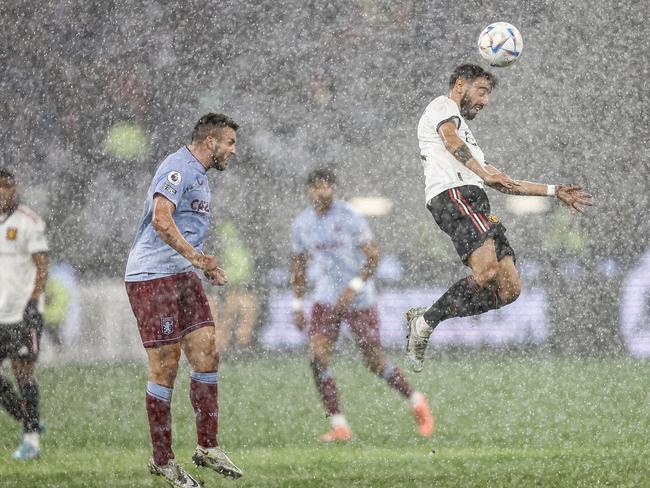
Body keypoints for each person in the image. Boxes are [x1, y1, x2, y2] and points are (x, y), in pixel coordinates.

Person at [405, 64, 592, 372]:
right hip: (453, 196)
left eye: (488, 95)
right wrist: (482, 174)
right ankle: (425, 324)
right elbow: (451, 142)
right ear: (460, 83)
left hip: (476, 200)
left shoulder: (471, 140)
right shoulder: (442, 107)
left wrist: (554, 191)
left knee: (509, 290)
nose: (485, 101)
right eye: (482, 91)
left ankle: (425, 320)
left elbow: (506, 182)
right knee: (487, 271)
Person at [125, 113, 243, 488]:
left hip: (182, 276)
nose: (233, 151)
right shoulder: (178, 167)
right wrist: (198, 259)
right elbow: (161, 219)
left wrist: (201, 266)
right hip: (152, 277)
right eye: (230, 143)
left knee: (208, 350)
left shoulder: (203, 177)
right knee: (165, 367)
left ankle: (207, 446)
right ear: (210, 142)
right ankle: (163, 460)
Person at [291, 168, 434, 442]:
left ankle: (416, 400)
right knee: (317, 357)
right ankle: (339, 425)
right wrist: (297, 304)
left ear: (333, 189)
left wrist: (352, 287)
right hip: (324, 298)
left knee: (374, 361)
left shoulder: (350, 217)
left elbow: (373, 257)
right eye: (317, 187)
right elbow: (298, 266)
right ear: (309, 191)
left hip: (359, 299)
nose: (323, 191)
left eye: (327, 186)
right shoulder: (302, 224)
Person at [0, 169, 48, 460]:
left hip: (23, 313)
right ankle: (27, 417)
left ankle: (31, 441)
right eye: (0, 187)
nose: (5, 192)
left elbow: (42, 265)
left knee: (23, 372)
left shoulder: (28, 221)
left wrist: (33, 303)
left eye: (8, 186)